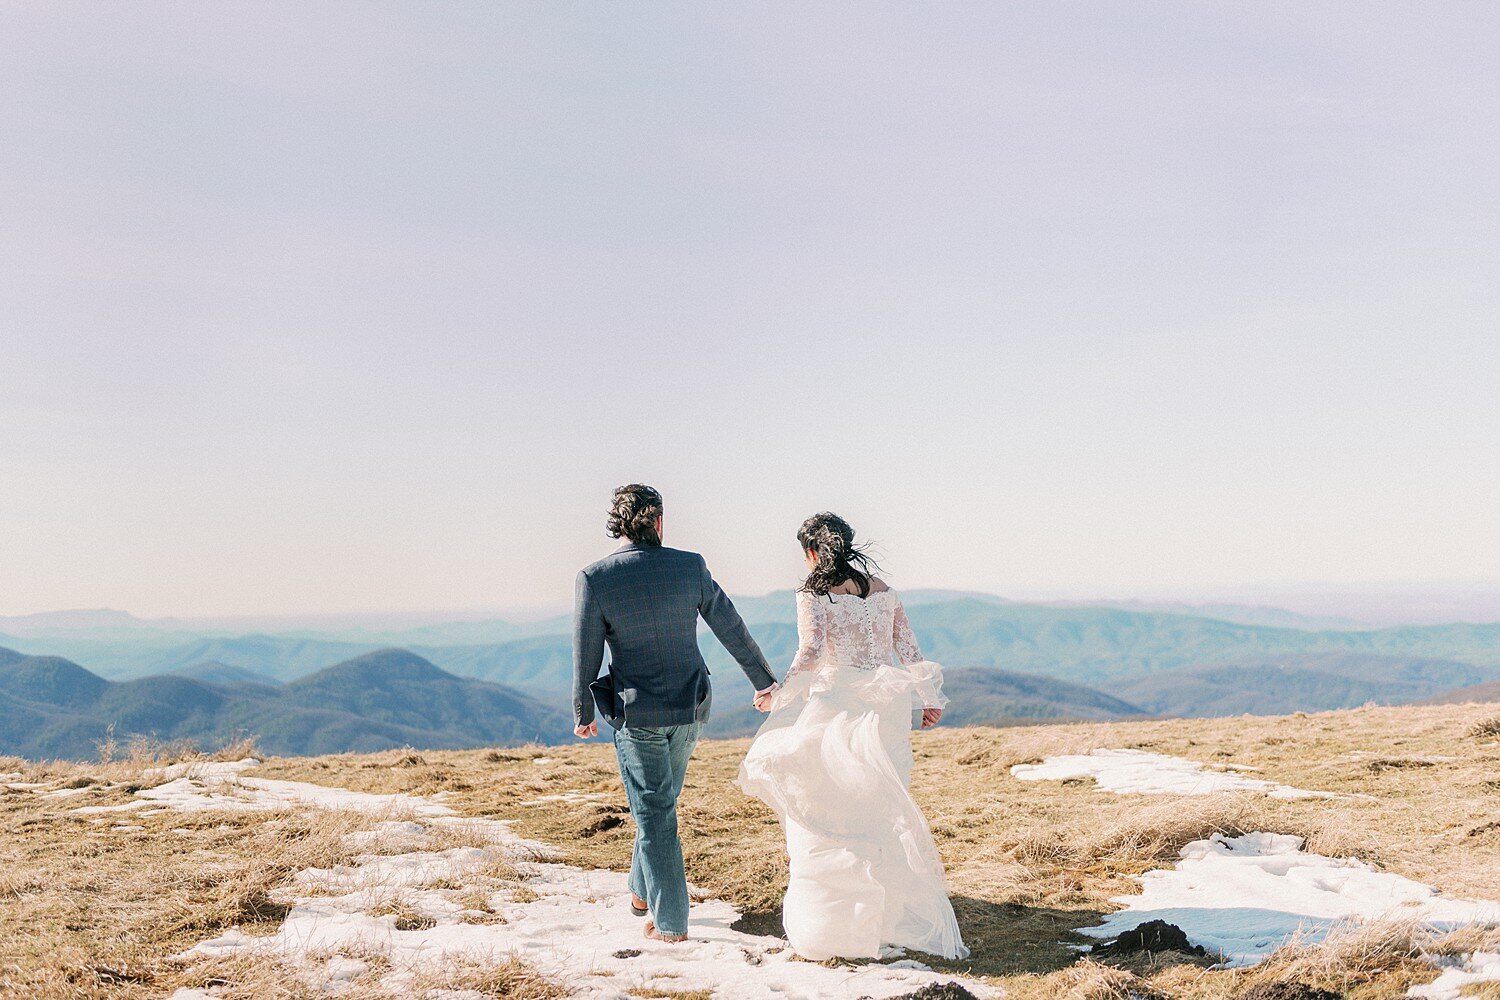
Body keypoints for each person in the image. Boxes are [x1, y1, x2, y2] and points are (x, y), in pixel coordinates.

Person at [737, 512, 968, 961]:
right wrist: (927, 696)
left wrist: (779, 694)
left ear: (810, 552)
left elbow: (811, 650)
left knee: (827, 807)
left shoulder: (812, 592)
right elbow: (910, 648)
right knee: (883, 809)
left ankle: (834, 927)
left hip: (838, 703)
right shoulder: (883, 591)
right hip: (886, 707)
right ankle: (884, 920)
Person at [572, 483, 778, 942]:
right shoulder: (690, 566)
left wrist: (583, 710)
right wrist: (763, 680)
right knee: (658, 807)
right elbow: (730, 626)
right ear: (660, 522)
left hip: (636, 712)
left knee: (655, 812)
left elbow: (585, 651)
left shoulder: (595, 578)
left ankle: (669, 924)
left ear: (618, 526)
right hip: (689, 707)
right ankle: (640, 891)